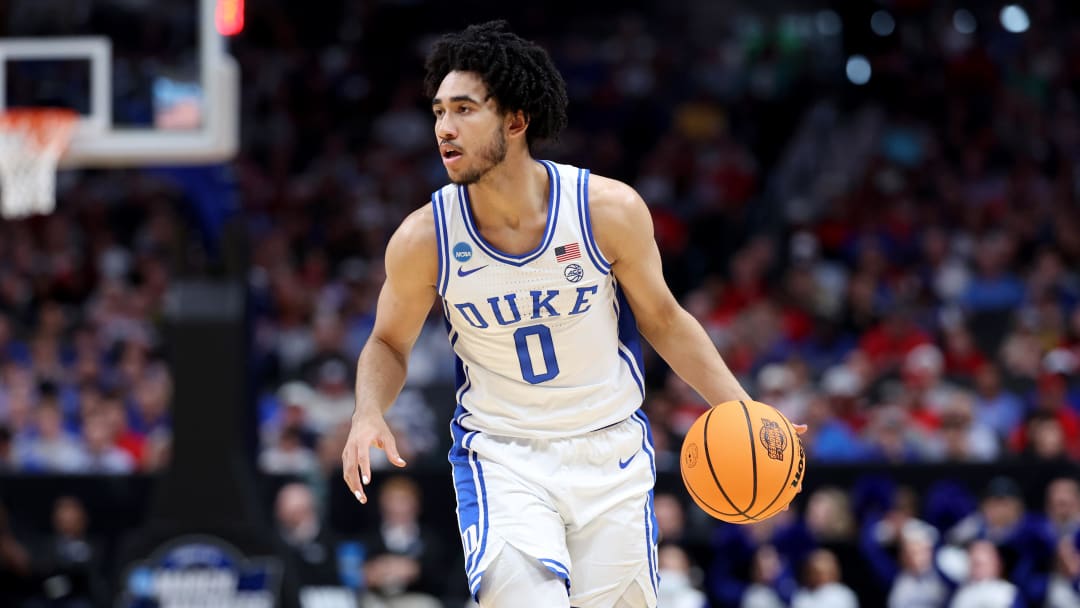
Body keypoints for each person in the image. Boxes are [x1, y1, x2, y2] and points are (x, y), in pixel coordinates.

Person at [340, 20, 804, 608]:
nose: (443, 128)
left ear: (515, 120)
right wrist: (367, 411)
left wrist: (741, 407)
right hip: (503, 455)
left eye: (463, 110)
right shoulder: (423, 239)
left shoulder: (606, 210)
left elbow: (663, 319)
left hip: (609, 448)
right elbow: (387, 342)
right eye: (438, 112)